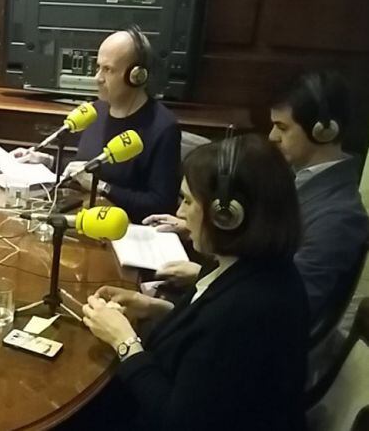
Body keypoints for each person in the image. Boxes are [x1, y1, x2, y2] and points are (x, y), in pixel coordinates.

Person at [74, 136, 308, 430]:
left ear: (226, 216)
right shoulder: (252, 267)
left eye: (186, 200)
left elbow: (179, 419)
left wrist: (124, 342)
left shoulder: (249, 309)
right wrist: (156, 308)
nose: (180, 213)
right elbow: (206, 343)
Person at [147, 71, 368, 332]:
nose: (272, 136)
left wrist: (205, 276)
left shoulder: (339, 216)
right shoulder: (295, 177)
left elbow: (289, 305)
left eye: (283, 127)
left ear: (324, 131)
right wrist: (208, 224)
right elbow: (264, 243)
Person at [17, 26, 181, 223]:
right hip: (83, 219)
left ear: (136, 76)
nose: (97, 78)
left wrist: (102, 186)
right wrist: (49, 162)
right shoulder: (96, 111)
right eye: (98, 67)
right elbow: (86, 169)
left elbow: (161, 205)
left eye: (108, 70)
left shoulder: (163, 127)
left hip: (123, 231)